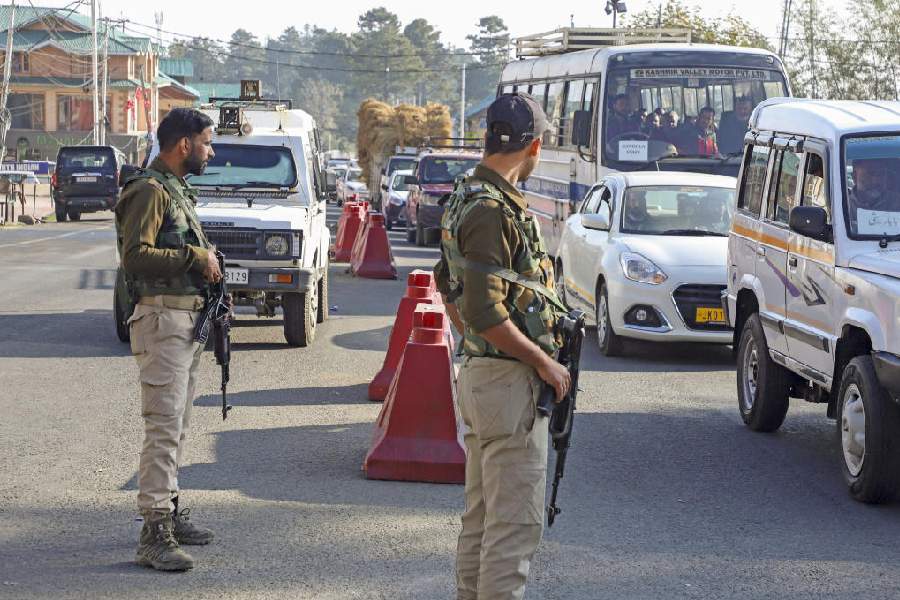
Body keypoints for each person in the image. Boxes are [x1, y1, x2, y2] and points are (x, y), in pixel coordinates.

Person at [435, 92, 571, 600]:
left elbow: (448, 285)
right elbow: (485, 310)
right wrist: (544, 364)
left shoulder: (467, 195)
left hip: (484, 375)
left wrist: (476, 343)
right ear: (534, 146)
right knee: (513, 527)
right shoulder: (492, 210)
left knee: (484, 516)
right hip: (508, 383)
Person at [115, 108, 220, 572]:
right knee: (162, 427)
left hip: (183, 322)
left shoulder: (174, 189)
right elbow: (135, 257)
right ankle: (153, 533)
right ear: (184, 145)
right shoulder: (149, 190)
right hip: (161, 322)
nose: (210, 151)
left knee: (176, 427)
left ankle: (169, 515)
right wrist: (193, 256)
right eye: (206, 142)